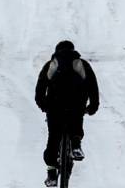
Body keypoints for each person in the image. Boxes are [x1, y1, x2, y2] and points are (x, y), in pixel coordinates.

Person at [35, 40, 99, 186]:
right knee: (76, 122)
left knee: (53, 139)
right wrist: (92, 106)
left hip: (54, 107)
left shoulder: (51, 64)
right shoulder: (82, 64)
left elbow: (40, 87)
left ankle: (51, 173)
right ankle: (76, 145)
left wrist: (43, 104)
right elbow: (92, 86)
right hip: (76, 104)